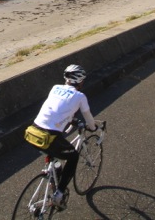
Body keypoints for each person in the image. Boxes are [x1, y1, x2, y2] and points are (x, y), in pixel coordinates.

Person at [25, 64, 98, 210]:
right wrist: (93, 127)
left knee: (55, 158)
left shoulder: (54, 87)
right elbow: (89, 118)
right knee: (73, 157)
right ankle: (59, 194)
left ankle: (53, 179)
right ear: (81, 81)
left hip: (32, 132)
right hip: (49, 137)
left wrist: (70, 119)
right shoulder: (80, 96)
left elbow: (58, 108)